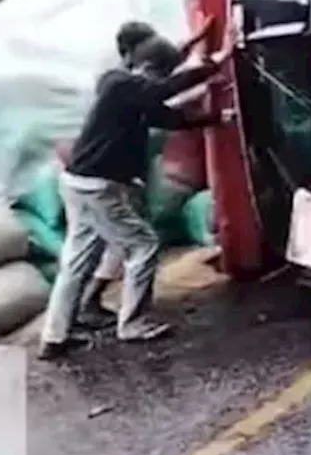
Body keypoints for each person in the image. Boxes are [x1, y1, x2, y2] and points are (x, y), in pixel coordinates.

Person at [38, 36, 234, 359]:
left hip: (79, 184)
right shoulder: (119, 84)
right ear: (146, 68)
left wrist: (217, 119)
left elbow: (167, 117)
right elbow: (162, 91)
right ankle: (133, 323)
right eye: (160, 75)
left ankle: (55, 338)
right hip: (97, 186)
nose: (160, 83)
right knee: (143, 245)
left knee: (77, 261)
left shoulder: (128, 94)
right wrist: (216, 60)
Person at [66, 18, 214, 330]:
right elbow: (165, 92)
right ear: (134, 54)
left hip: (119, 176)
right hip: (106, 177)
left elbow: (167, 83)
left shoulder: (133, 82)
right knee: (135, 243)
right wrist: (213, 66)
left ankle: (83, 309)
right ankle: (123, 318)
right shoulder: (124, 86)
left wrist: (195, 43)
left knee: (114, 244)